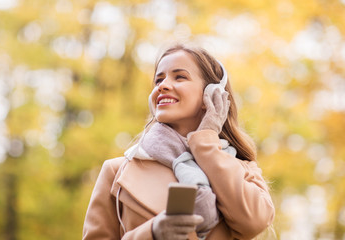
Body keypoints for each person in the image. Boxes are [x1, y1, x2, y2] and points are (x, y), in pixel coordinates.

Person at [82, 44, 275, 240]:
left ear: (210, 95)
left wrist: (206, 143)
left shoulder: (244, 170)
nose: (162, 85)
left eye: (180, 76)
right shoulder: (117, 171)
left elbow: (254, 222)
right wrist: (152, 233)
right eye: (159, 79)